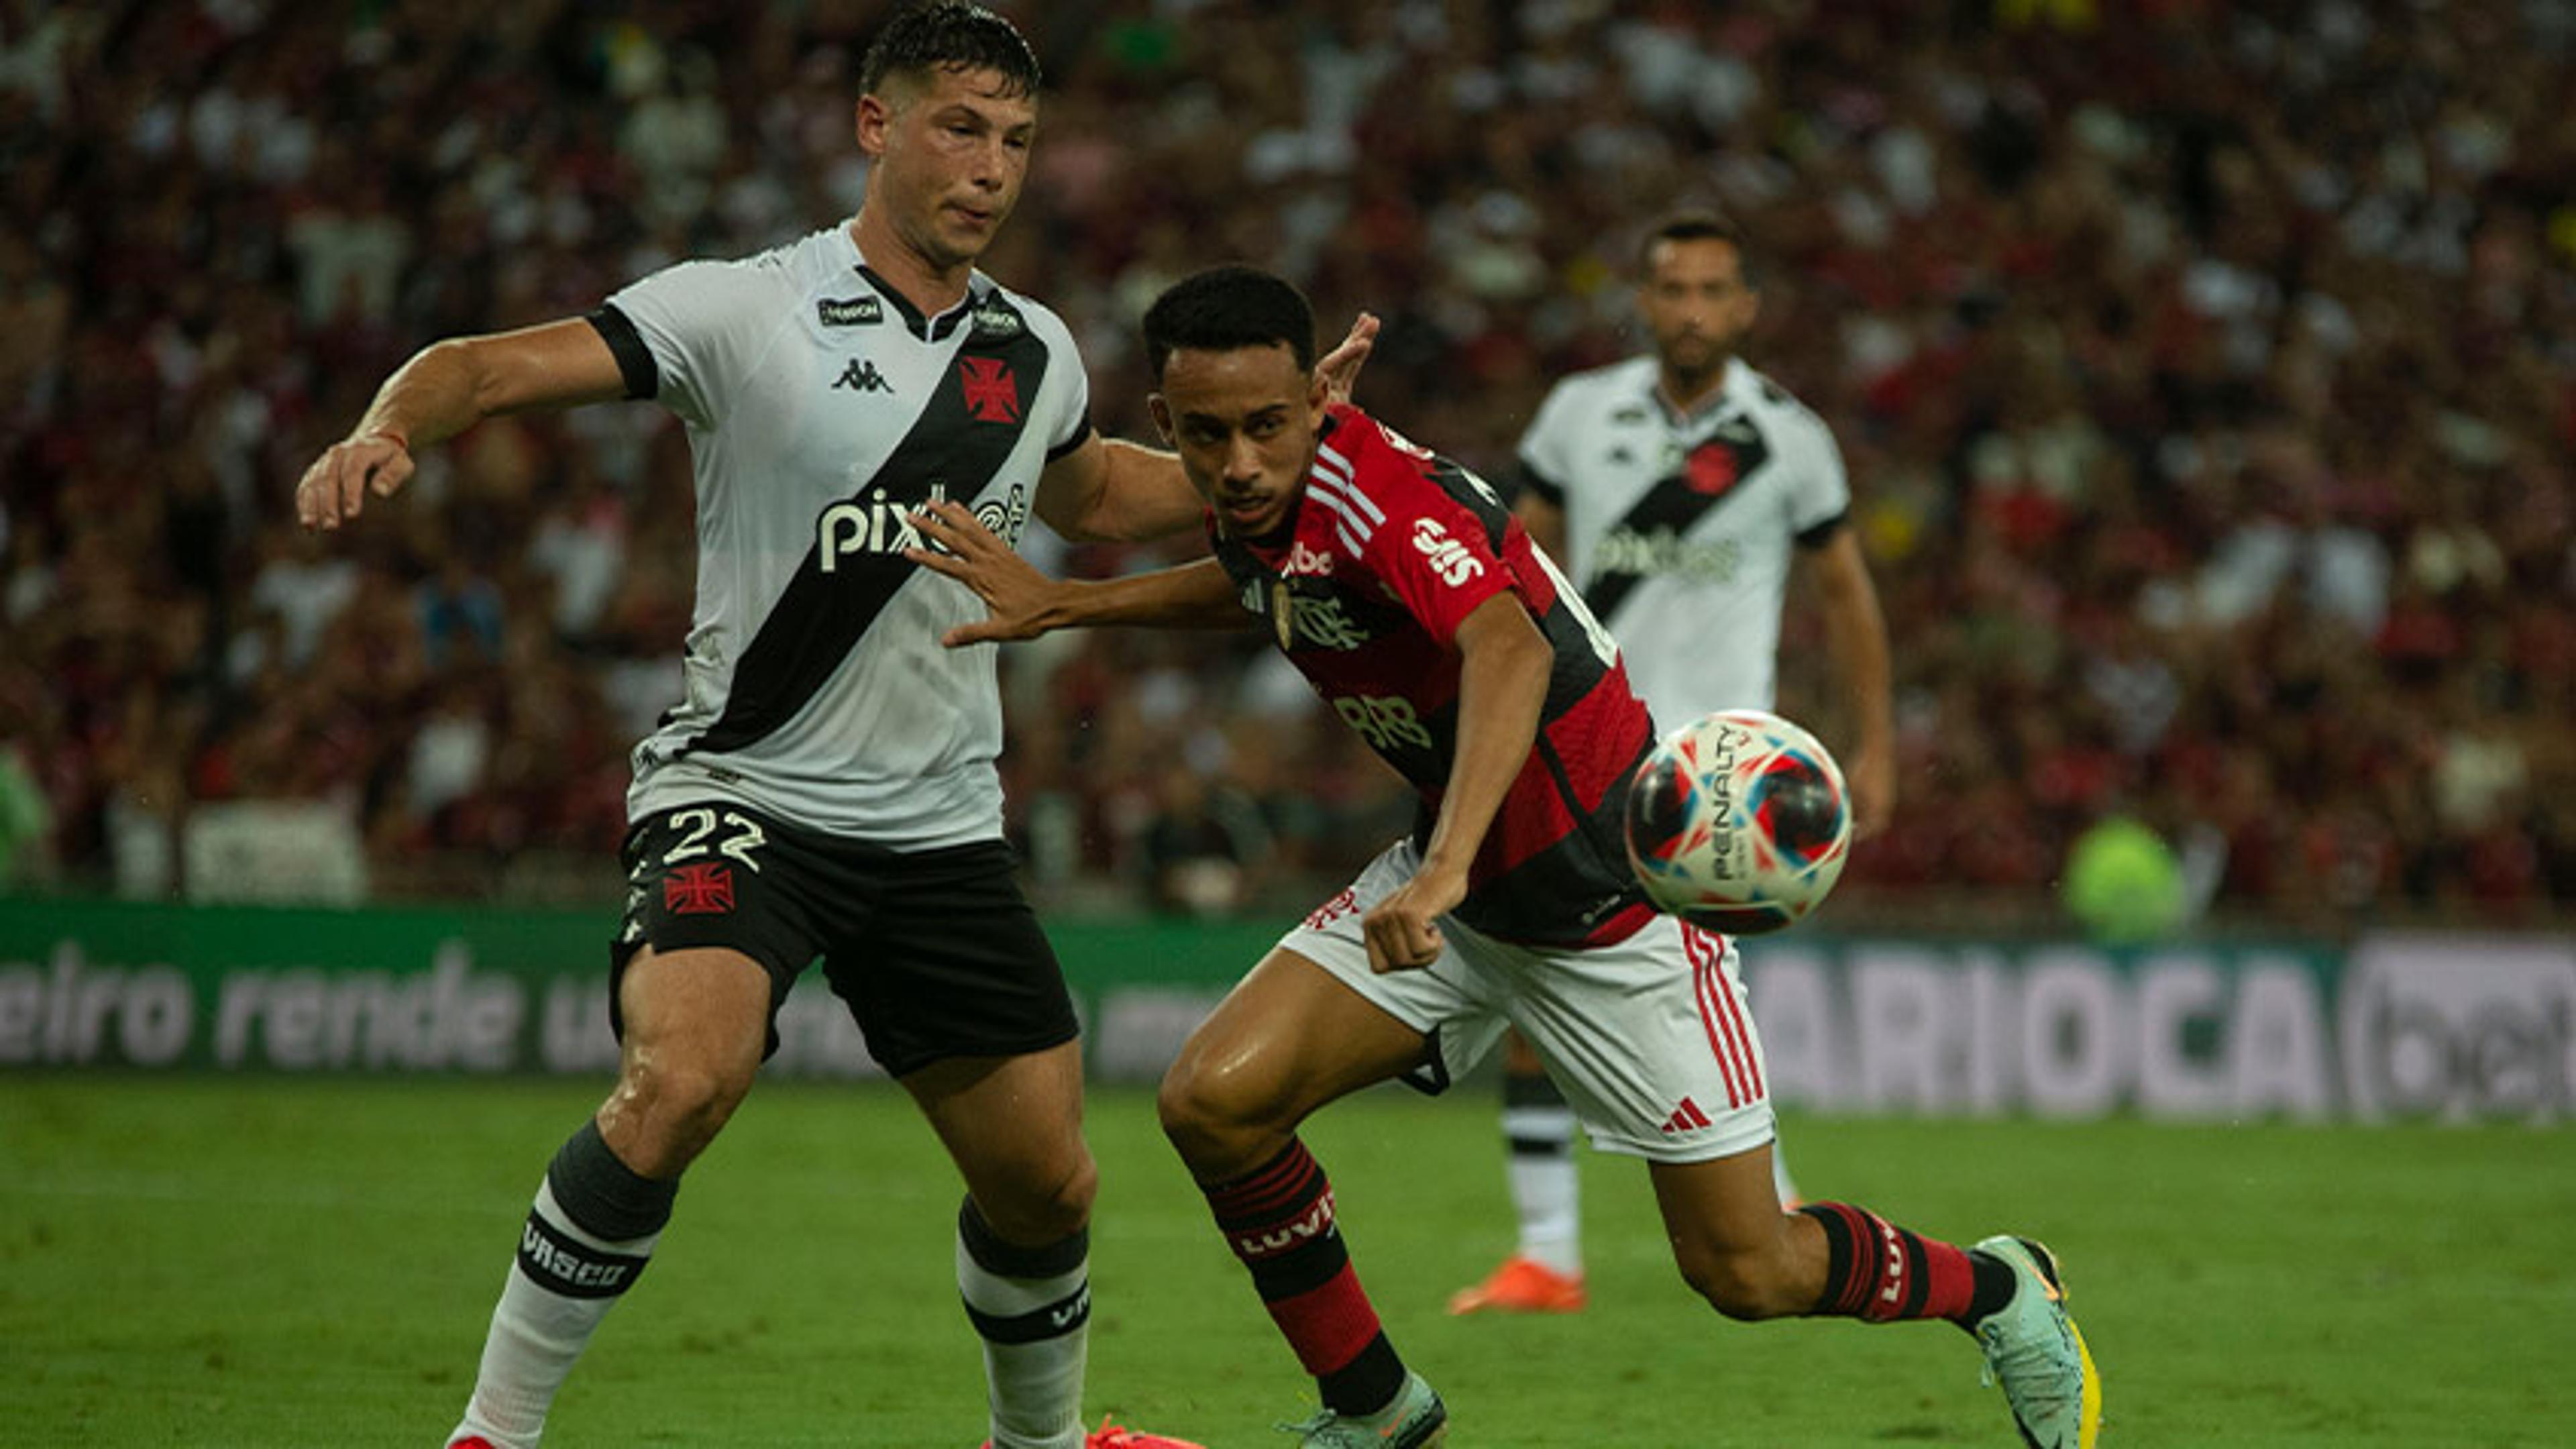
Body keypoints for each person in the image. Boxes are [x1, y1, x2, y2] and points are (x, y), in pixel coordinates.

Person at [291, 8, 1371, 1448]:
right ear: (877, 125)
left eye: (1018, 143)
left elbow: (1101, 496)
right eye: (960, 129)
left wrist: (1299, 439)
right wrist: (388, 426)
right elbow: (482, 364)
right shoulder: (745, 310)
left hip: (936, 828)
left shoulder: (1032, 348)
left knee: (1048, 1187)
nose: (991, 170)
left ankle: (1034, 1445)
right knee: (681, 1080)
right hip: (745, 793)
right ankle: (493, 1432)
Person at [910, 264, 2101, 1449]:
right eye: (1209, 436)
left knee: (1752, 1269)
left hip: (1611, 903)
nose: (1238, 464)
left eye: (1268, 427)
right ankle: (1376, 1411)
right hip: (1467, 887)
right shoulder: (1265, 499)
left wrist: (1442, 871)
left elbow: (1510, 649)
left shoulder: (1384, 495)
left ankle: (1998, 1288)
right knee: (1214, 1104)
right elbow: (1272, 587)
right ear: (1166, 425)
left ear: (1315, 406)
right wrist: (1070, 605)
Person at [1452, 209, 1898, 1316]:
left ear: (1745, 308)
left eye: (1712, 291)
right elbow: (1517, 573)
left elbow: (1847, 595)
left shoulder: (1788, 436)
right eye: (1671, 289)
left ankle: (1767, 1211)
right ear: (1643, 301)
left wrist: (1875, 743)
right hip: (1580, 743)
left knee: (1702, 989)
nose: (1690, 309)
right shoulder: (1577, 413)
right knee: (1532, 970)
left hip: (1716, 779)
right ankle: (1550, 1254)